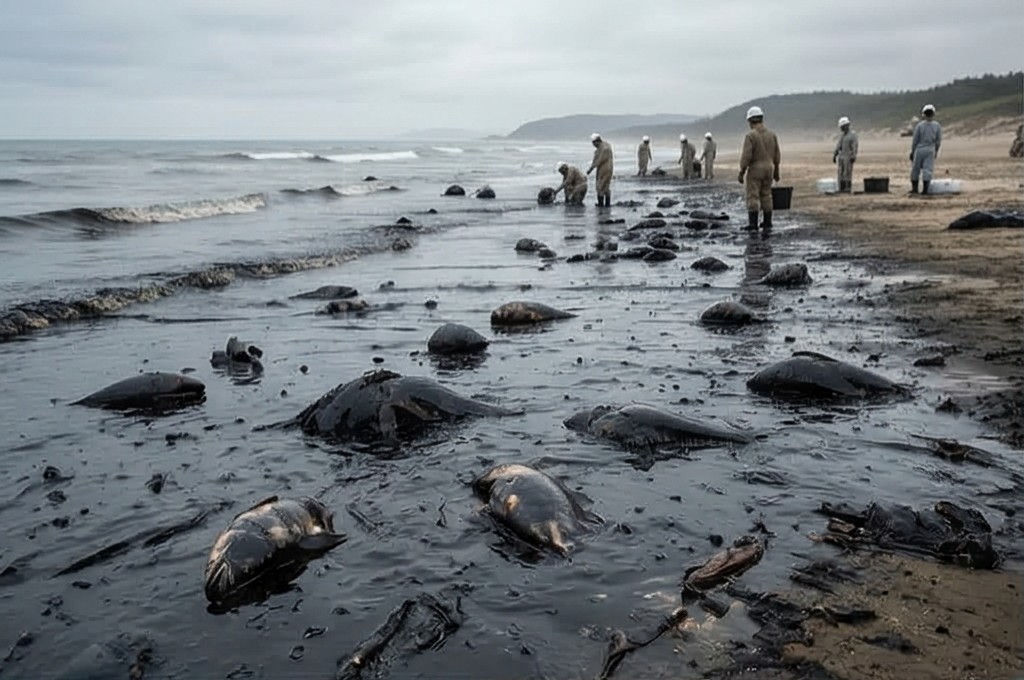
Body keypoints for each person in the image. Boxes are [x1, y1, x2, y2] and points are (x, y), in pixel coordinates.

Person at [738, 105, 781, 230]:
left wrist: (741, 172)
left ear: (750, 121)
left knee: (753, 196)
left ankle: (753, 224)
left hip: (756, 169)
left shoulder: (751, 136)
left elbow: (746, 156)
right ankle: (767, 222)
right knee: (767, 195)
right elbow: (777, 154)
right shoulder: (772, 135)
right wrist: (776, 171)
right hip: (769, 168)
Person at [909, 104, 942, 195]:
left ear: (924, 114)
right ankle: (925, 190)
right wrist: (936, 151)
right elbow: (938, 141)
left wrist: (912, 151)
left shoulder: (920, 126)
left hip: (919, 149)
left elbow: (915, 140)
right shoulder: (937, 126)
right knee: (928, 169)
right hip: (930, 149)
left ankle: (915, 189)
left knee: (915, 169)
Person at [587, 132, 614, 207]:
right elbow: (595, 158)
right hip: (606, 169)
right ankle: (606, 204)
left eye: (593, 143)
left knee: (600, 186)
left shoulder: (604, 148)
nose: (593, 145)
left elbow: (599, 160)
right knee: (606, 187)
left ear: (596, 141)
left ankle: (601, 204)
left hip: (605, 170)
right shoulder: (603, 146)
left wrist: (591, 169)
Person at [832, 116, 859, 193]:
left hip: (848, 156)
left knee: (847, 172)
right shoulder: (842, 136)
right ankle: (841, 188)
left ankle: (847, 188)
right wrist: (835, 154)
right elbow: (838, 146)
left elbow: (854, 146)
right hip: (842, 157)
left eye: (842, 127)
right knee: (841, 172)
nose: (841, 128)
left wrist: (853, 156)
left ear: (846, 126)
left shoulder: (853, 135)